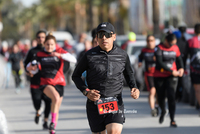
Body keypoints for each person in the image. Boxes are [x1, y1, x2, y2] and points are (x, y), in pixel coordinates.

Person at [72, 22, 140, 134]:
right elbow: (75, 76)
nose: (104, 38)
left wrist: (134, 87)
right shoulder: (89, 55)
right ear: (97, 38)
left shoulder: (122, 55)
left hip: (115, 102)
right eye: (100, 35)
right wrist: (87, 92)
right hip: (94, 103)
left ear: (114, 36)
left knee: (113, 131)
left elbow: (129, 74)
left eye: (107, 35)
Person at [27, 33, 77, 134]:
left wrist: (60, 55)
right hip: (46, 83)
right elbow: (30, 67)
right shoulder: (39, 54)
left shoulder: (59, 51)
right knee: (55, 97)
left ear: (55, 45)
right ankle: (52, 124)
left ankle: (52, 127)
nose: (49, 47)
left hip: (60, 83)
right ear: (44, 44)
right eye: (47, 44)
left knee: (56, 106)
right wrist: (31, 69)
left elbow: (74, 60)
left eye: (52, 45)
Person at [154, 33, 184, 127]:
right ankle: (163, 111)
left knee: (171, 96)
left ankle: (172, 119)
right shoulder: (159, 48)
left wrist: (181, 68)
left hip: (172, 77)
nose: (172, 46)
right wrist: (171, 71)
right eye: (171, 44)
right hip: (160, 76)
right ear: (166, 41)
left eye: (174, 44)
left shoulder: (175, 48)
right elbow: (159, 62)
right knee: (161, 96)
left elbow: (179, 59)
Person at [23, 30, 51, 129]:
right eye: (39, 37)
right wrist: (28, 72)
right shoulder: (32, 51)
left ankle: (45, 121)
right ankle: (38, 111)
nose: (41, 39)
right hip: (35, 82)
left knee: (48, 102)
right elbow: (25, 64)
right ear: (36, 39)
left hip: (47, 82)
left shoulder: (49, 50)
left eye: (43, 37)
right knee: (36, 102)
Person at [138, 35, 159, 117]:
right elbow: (140, 57)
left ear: (154, 41)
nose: (150, 43)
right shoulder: (144, 50)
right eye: (148, 41)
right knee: (152, 91)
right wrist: (140, 62)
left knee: (158, 92)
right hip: (149, 74)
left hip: (158, 74)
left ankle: (156, 105)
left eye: (152, 40)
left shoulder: (157, 49)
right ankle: (153, 109)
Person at [186, 23, 200, 114]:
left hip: (195, 69)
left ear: (194, 31)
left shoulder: (190, 41)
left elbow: (185, 55)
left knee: (198, 90)